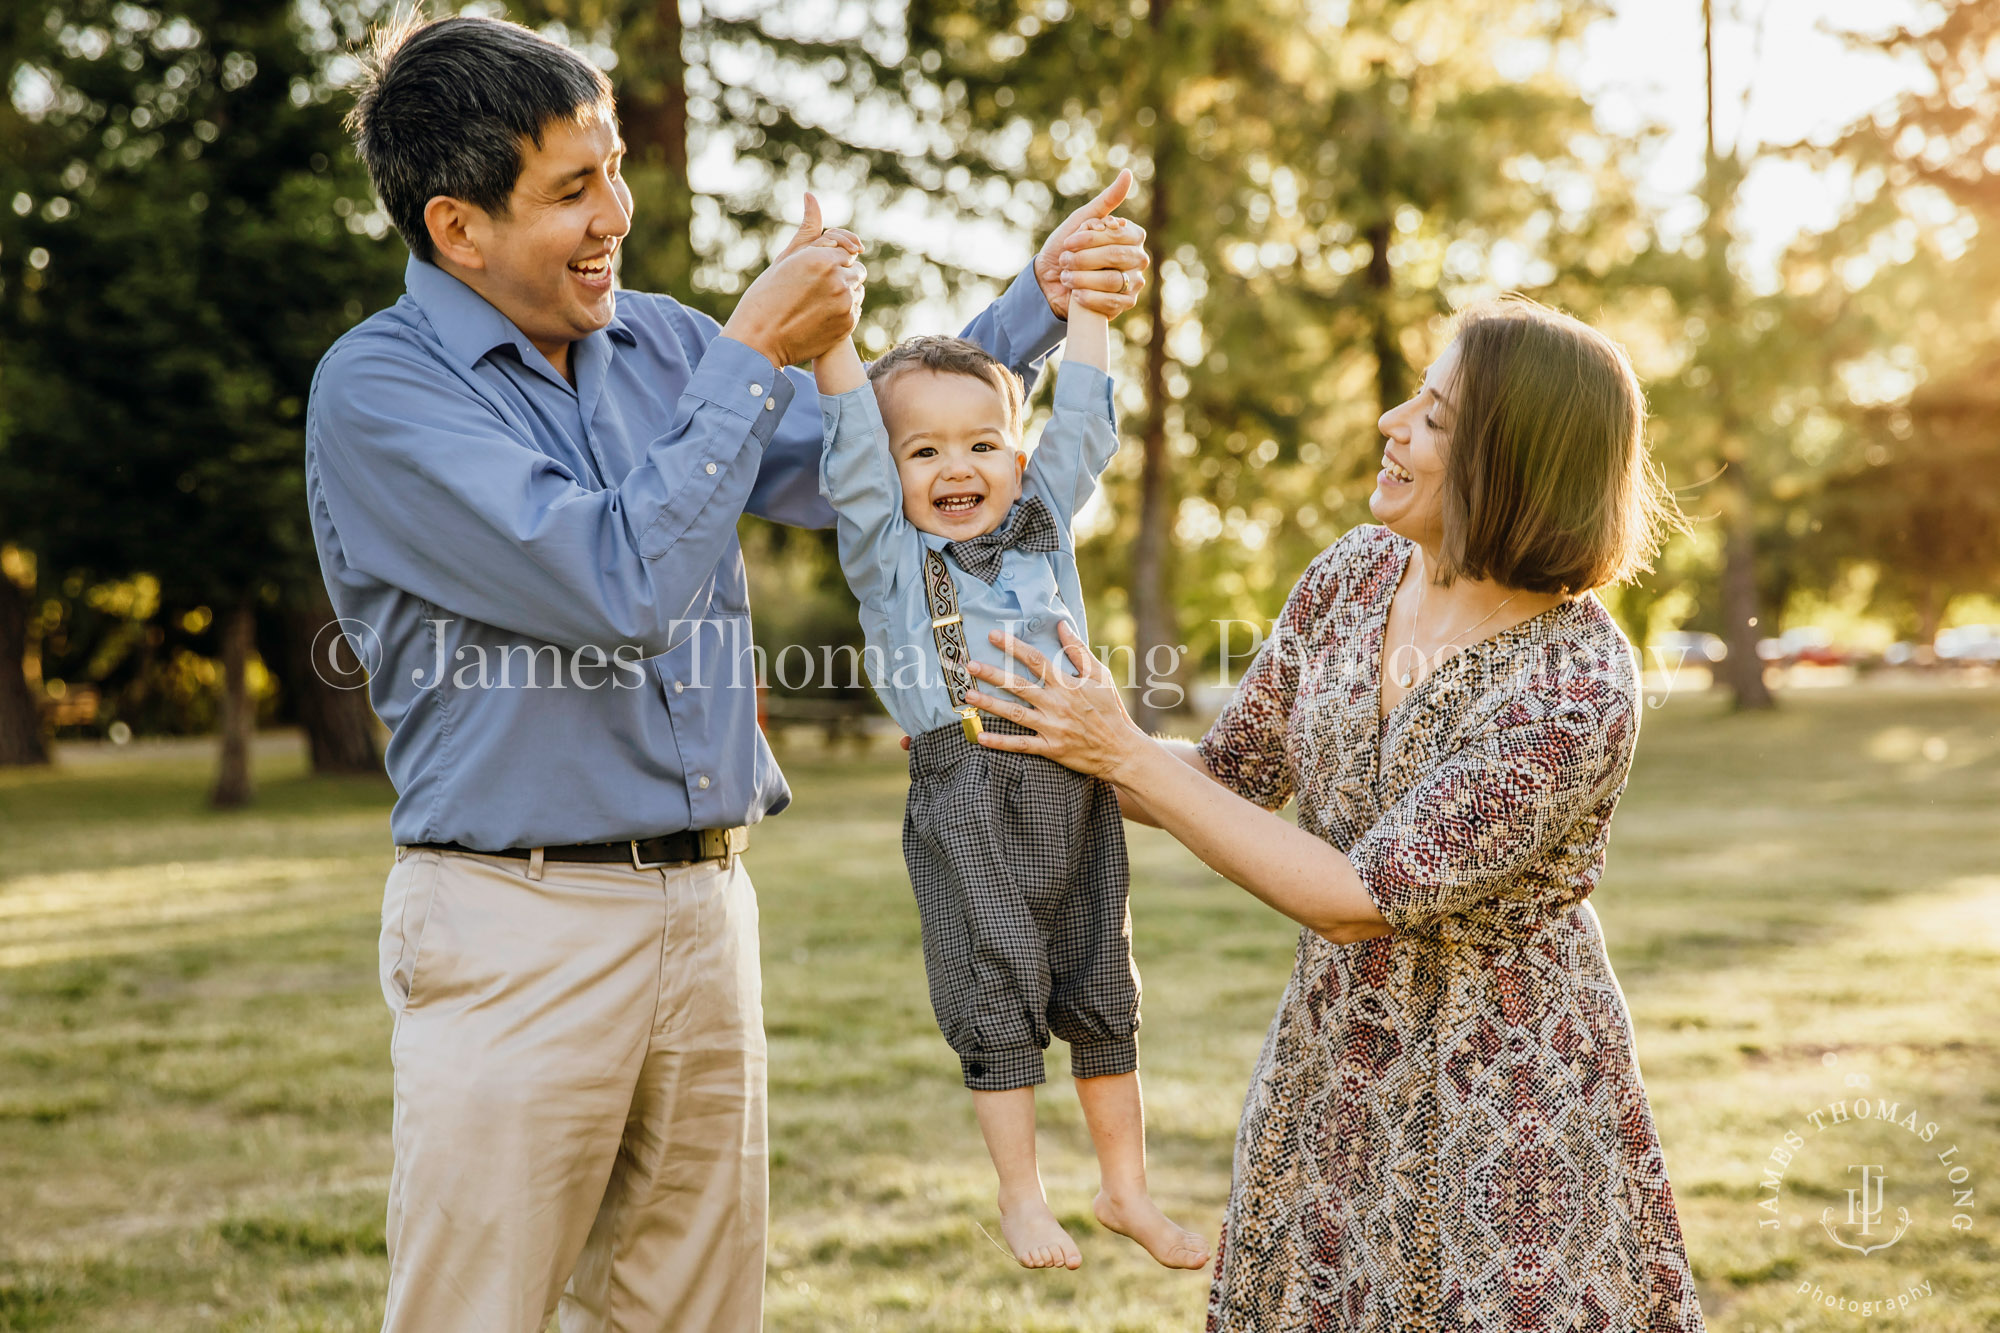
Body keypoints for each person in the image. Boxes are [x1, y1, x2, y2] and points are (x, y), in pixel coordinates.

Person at [304, 14, 1148, 1331]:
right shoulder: (381, 393)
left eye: (617, 170)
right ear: (457, 227)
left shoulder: (663, 348)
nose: (615, 217)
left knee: (695, 1312)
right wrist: (752, 352)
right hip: (518, 925)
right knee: (482, 1309)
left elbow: (872, 462)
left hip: (707, 909)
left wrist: (1041, 298)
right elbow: (612, 583)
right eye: (572, 190)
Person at [959, 297, 1707, 1330]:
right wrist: (1014, 726)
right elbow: (1222, 777)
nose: (1391, 425)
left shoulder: (1575, 682)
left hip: (1509, 1099)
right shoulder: (1353, 576)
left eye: (1434, 417)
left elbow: (1359, 898)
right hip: (1332, 1070)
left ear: (1512, 462)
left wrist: (1122, 746)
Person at [809, 206, 1208, 1275]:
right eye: (925, 448)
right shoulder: (889, 554)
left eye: (983, 442)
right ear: (889, 475)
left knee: (1098, 981)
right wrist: (830, 323)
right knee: (995, 986)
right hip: (963, 788)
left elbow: (1081, 419)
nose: (959, 465)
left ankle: (1125, 1189)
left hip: (1070, 777)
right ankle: (1021, 1194)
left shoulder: (1039, 520)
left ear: (1015, 455)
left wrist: (1082, 307)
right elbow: (847, 438)